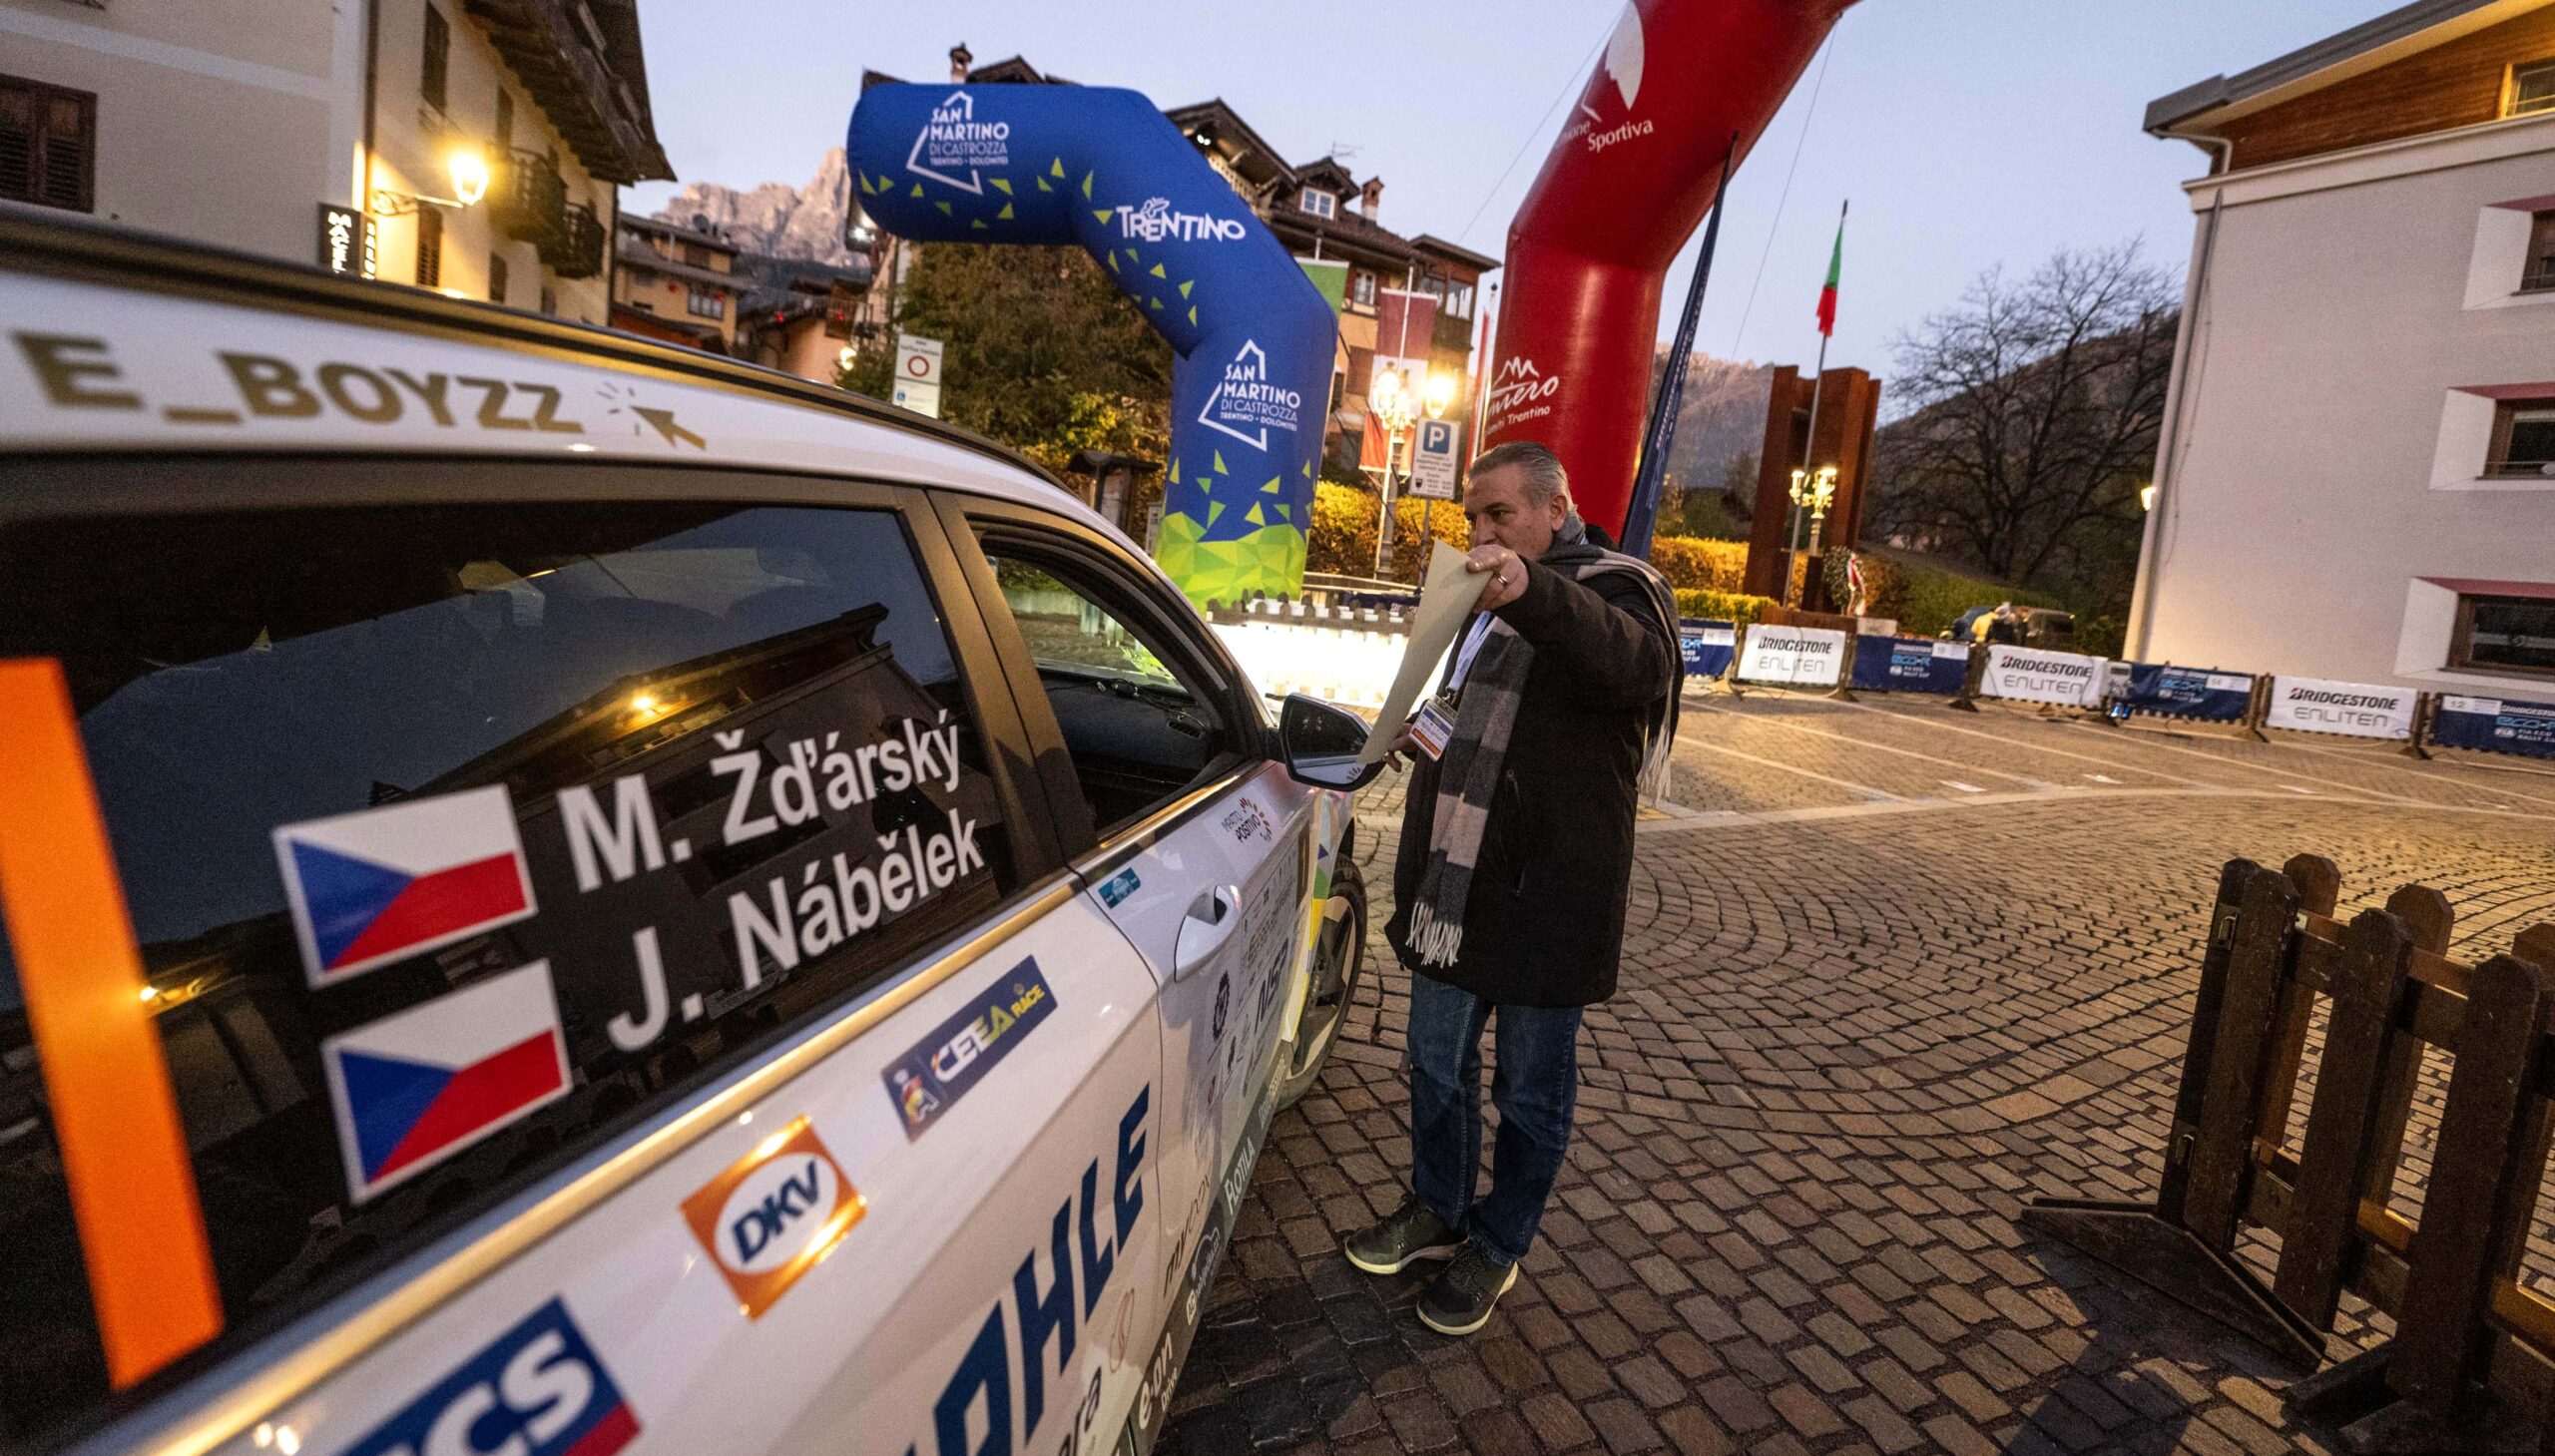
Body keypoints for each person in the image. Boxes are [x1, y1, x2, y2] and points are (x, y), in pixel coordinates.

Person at [1342, 440, 1680, 1336]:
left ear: (1555, 510)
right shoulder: (1480, 600)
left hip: (1548, 897)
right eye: (1473, 517)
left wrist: (1532, 591)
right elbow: (1457, 710)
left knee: (1529, 1095)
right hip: (1454, 892)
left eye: (1500, 513)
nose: (1482, 532)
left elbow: (1635, 665)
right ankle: (1437, 1208)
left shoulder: (1620, 588)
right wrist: (1401, 739)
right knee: (1434, 1066)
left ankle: (1499, 1241)